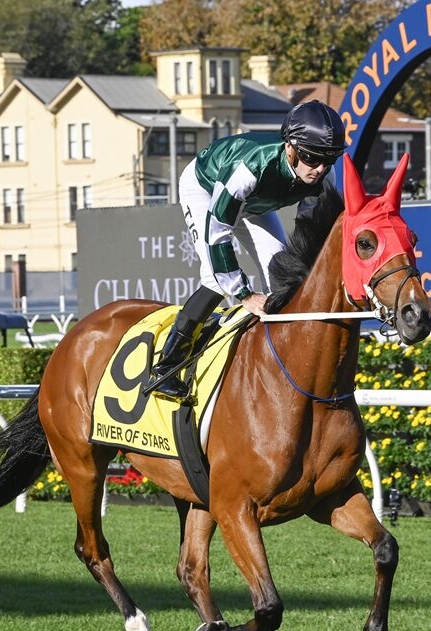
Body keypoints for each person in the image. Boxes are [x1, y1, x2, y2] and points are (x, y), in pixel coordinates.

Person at [146, 99, 346, 403]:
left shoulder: (324, 177)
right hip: (207, 189)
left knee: (282, 274)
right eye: (312, 157)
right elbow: (217, 233)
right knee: (215, 279)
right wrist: (245, 295)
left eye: (329, 160)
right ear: (290, 148)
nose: (319, 169)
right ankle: (166, 367)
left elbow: (308, 237)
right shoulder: (251, 167)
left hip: (254, 203)